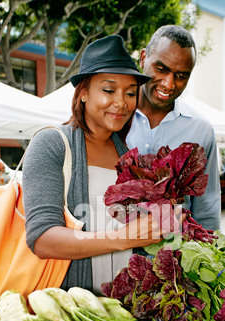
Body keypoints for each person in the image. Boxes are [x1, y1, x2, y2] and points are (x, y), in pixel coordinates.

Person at [22, 35, 164, 295]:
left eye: (130, 92)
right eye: (109, 90)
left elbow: (143, 236)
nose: (121, 102)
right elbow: (43, 239)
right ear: (84, 93)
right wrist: (124, 239)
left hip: (125, 310)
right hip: (72, 310)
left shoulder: (130, 158)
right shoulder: (52, 144)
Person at [127, 25, 221, 232]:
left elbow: (207, 208)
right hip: (111, 253)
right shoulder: (114, 115)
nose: (169, 85)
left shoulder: (201, 129)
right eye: (161, 69)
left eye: (181, 76)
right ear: (143, 58)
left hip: (174, 258)